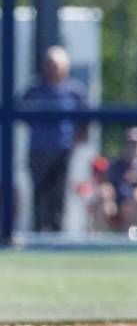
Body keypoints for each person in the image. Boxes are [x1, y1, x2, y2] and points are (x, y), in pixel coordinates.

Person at [22, 45, 88, 231]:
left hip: (63, 150)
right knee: (39, 191)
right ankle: (37, 230)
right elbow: (21, 113)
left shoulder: (75, 91)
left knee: (58, 193)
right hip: (38, 150)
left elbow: (86, 119)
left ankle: (56, 232)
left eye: (57, 65)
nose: (53, 69)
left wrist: (79, 138)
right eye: (50, 65)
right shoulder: (34, 90)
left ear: (65, 67)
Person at [92, 127, 137, 233]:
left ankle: (131, 237)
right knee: (102, 192)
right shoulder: (115, 165)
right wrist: (107, 193)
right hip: (114, 205)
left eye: (136, 143)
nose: (132, 147)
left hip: (134, 206)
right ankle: (98, 238)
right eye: (130, 143)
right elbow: (105, 183)